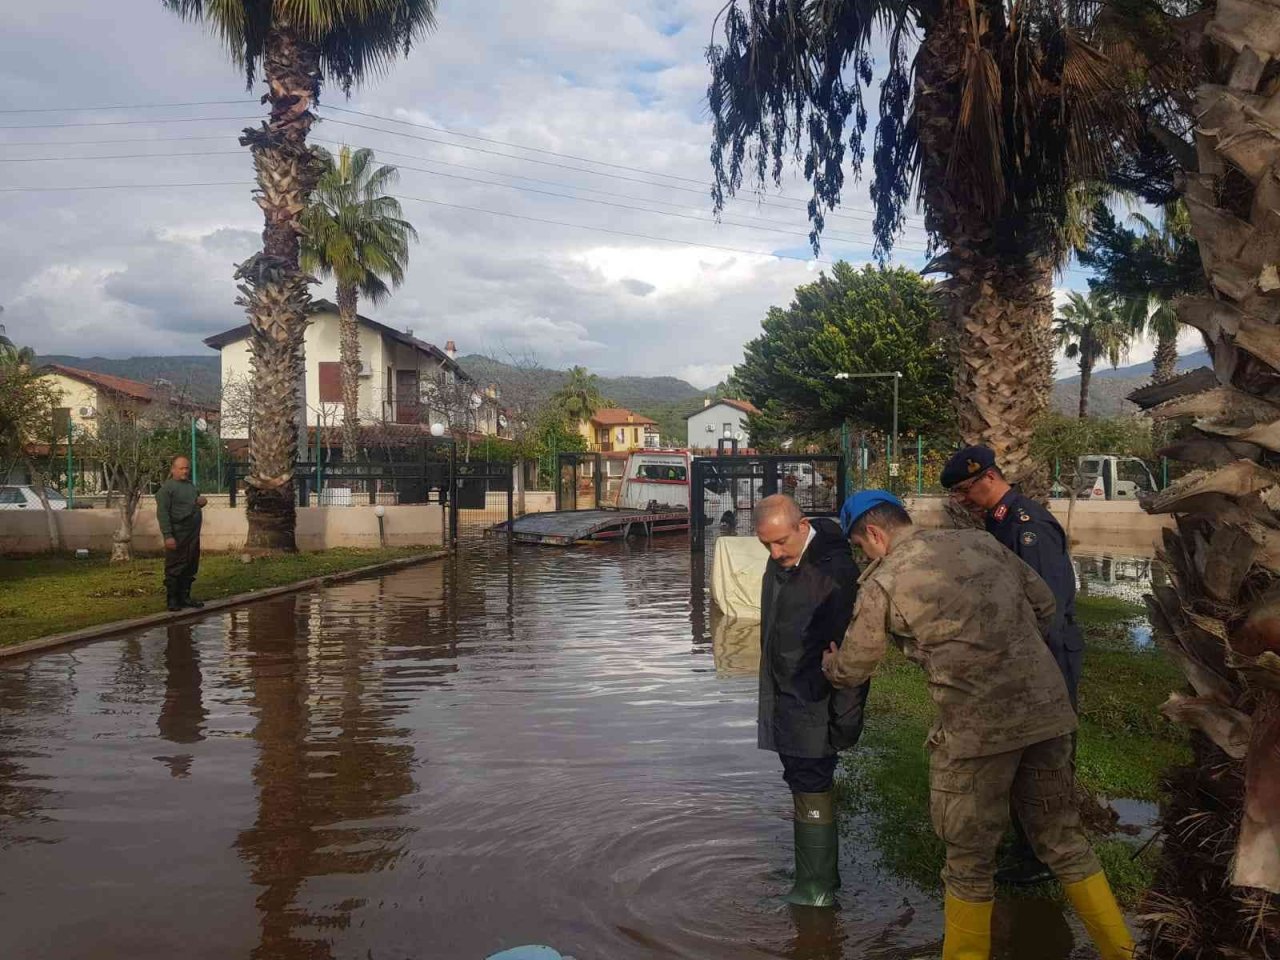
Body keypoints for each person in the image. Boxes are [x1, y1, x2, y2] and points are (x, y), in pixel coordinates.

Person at [822, 491, 1133, 960]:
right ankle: (1122, 951)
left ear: (874, 534)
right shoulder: (981, 542)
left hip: (976, 732)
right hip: (1047, 713)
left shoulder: (884, 582)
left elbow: (858, 664)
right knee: (1064, 842)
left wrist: (833, 667)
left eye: (861, 547)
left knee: (968, 861)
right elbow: (1046, 604)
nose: (864, 555)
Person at [941, 444, 1082, 884]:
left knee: (1044, 755)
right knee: (1021, 751)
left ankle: (1043, 855)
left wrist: (1024, 663)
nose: (963, 499)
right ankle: (1029, 845)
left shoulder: (1027, 525)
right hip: (1020, 656)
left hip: (1045, 656)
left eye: (966, 489)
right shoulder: (1000, 523)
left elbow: (1047, 606)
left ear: (989, 477)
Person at [754, 494, 869, 907]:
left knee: (811, 779)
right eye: (765, 544)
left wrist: (844, 721)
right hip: (786, 697)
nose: (774, 552)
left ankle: (817, 887)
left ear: (803, 527)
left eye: (781, 541)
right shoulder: (787, 560)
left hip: (814, 703)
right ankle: (812, 868)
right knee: (798, 778)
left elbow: (854, 658)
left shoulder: (834, 574)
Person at [156, 455, 206, 612]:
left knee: (190, 565)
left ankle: (185, 597)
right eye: (182, 468)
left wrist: (201, 502)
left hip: (193, 534)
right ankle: (172, 599)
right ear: (173, 470)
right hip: (177, 534)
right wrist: (168, 535)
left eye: (187, 468)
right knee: (175, 566)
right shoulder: (167, 489)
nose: (185, 471)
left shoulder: (191, 486)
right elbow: (163, 513)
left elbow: (193, 503)